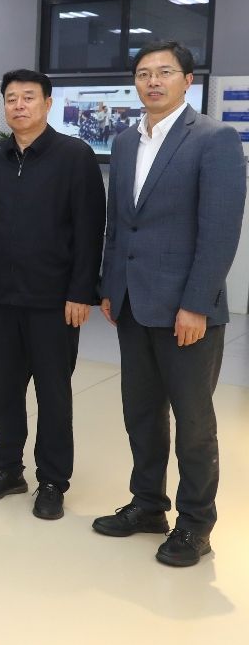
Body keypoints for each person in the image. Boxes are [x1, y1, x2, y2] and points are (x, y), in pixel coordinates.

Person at [94, 40, 246, 567]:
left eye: (164, 72)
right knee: (141, 413)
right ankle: (148, 505)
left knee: (194, 422)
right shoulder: (125, 141)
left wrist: (197, 304)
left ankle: (195, 525)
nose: (153, 81)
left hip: (187, 310)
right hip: (132, 303)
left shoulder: (213, 138)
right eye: (143, 73)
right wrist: (110, 286)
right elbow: (119, 223)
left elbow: (220, 230)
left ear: (187, 80)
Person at [0, 69, 105, 520]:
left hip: (55, 301)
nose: (19, 105)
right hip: (1, 298)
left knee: (53, 394)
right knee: (4, 390)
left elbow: (90, 229)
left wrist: (81, 292)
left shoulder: (75, 156)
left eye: (29, 97)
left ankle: (52, 481)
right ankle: (8, 469)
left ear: (48, 104)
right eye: (11, 98)